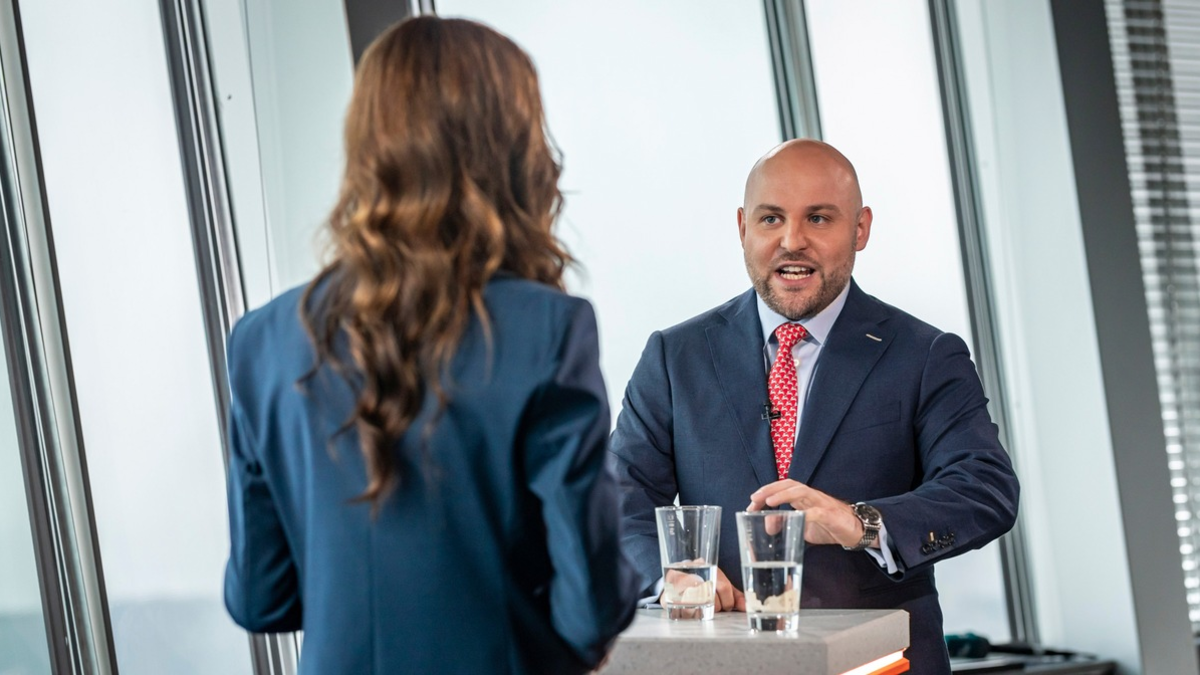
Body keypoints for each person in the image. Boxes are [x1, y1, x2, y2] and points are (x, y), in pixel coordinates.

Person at [222, 16, 639, 675]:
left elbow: (260, 596)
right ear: (512, 148)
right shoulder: (548, 330)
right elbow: (591, 608)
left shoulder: (261, 342)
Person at [610, 139, 1019, 674]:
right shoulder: (674, 356)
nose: (791, 241)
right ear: (742, 227)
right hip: (721, 662)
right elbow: (618, 501)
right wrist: (670, 579)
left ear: (860, 228)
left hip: (880, 663)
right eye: (771, 218)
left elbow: (984, 489)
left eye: (819, 219)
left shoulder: (925, 355)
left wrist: (861, 523)